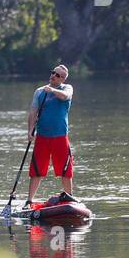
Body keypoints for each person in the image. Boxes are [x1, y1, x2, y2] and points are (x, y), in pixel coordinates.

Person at [26, 64, 75, 207]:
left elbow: (65, 97)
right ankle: (29, 200)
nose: (54, 75)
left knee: (65, 170)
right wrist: (29, 130)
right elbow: (33, 111)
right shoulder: (39, 92)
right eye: (53, 73)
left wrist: (52, 90)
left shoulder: (67, 88)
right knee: (36, 170)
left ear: (63, 79)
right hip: (42, 137)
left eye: (58, 75)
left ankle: (69, 198)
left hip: (60, 136)